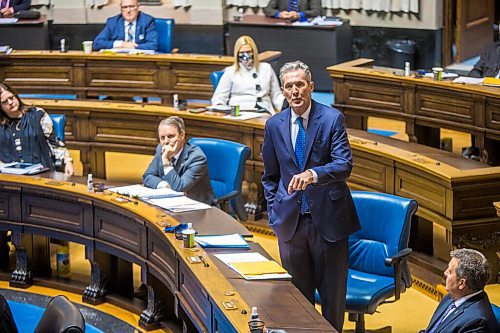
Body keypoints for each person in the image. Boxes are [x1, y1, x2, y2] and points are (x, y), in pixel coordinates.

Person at [261, 60, 360, 331]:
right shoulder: (274, 125)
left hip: (328, 223)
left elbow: (344, 165)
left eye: (300, 85)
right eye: (289, 86)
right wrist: (275, 210)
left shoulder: (331, 119)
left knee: (332, 301)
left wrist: (313, 175)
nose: (295, 91)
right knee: (297, 302)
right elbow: (269, 176)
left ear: (311, 87)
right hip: (291, 225)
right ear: (282, 90)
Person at [0, 83, 74, 175]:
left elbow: (54, 142)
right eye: (5, 102)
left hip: (41, 173)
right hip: (9, 176)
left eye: (11, 97)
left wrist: (67, 161)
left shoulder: (38, 115)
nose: (10, 102)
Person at [420, 248, 496, 333]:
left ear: (462, 283)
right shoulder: (451, 296)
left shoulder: (477, 322)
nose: (445, 273)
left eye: (450, 271)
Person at [143, 116, 215, 205]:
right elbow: (147, 176)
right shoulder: (160, 149)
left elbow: (179, 188)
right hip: (170, 203)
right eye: (162, 138)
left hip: (196, 207)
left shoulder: (197, 157)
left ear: (182, 135)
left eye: (170, 136)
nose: (166, 141)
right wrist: (163, 185)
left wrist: (167, 162)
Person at [211, 35, 284, 114]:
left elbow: (276, 94)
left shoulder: (266, 68)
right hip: (239, 112)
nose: (245, 55)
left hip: (264, 111)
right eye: (242, 52)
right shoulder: (230, 71)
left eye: (249, 52)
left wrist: (288, 105)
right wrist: (220, 108)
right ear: (237, 54)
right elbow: (219, 97)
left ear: (254, 52)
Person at [93, 0, 158, 51]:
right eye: (124, 7)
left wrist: (132, 46)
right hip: (119, 61)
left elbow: (153, 45)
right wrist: (121, 44)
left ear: (138, 7)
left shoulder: (147, 21)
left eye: (132, 6)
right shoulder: (113, 22)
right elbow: (97, 43)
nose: (128, 10)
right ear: (121, 9)